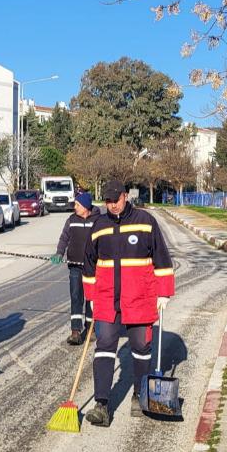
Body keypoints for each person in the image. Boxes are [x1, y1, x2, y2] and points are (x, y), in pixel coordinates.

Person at [81, 179, 175, 427]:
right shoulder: (98, 225)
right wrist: (90, 296)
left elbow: (161, 257)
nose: (112, 205)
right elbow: (89, 263)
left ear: (125, 196)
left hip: (140, 297)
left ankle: (140, 396)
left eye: (116, 199)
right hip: (106, 298)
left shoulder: (145, 222)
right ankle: (101, 404)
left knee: (141, 348)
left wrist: (163, 293)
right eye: (108, 201)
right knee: (104, 346)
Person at [49, 190, 99, 345]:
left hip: (93, 268)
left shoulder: (98, 220)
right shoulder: (71, 220)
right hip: (75, 266)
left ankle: (91, 329)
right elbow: (64, 238)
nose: (74, 207)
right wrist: (59, 253)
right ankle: (75, 331)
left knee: (91, 298)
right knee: (76, 297)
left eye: (77, 204)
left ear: (85, 206)